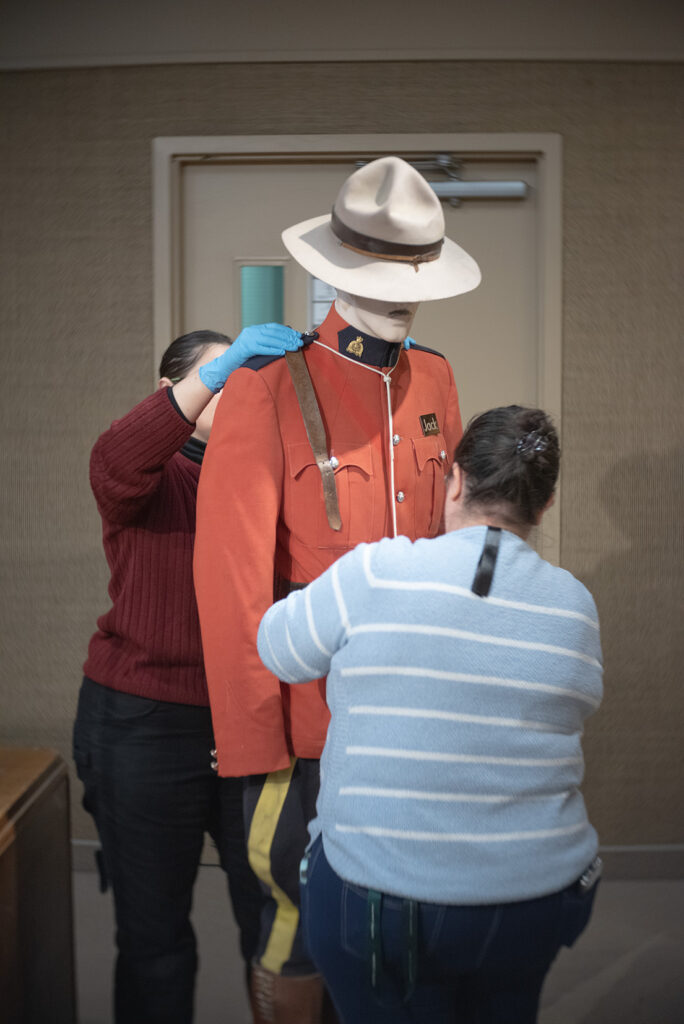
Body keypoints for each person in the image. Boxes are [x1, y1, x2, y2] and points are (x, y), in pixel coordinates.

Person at [193, 155, 481, 1021]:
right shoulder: (268, 390)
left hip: (414, 709)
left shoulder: (435, 377)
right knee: (298, 910)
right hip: (307, 712)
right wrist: (254, 737)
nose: (404, 298)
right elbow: (232, 582)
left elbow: (457, 543)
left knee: (410, 910)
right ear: (339, 268)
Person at [257, 405, 604, 1024]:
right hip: (537, 896)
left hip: (385, 897)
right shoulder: (574, 604)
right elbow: (578, 703)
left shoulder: (376, 570)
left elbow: (277, 649)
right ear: (544, 504)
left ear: (456, 480)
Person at [73, 323, 303, 1024]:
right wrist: (223, 368)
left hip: (249, 718)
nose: (237, 395)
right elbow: (118, 454)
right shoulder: (149, 475)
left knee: (271, 920)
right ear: (171, 391)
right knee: (155, 939)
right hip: (143, 721)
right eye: (220, 381)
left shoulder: (267, 476)